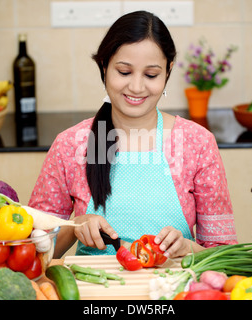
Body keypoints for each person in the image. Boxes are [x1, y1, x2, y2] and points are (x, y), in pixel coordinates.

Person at [29, 11, 237, 259]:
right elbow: (33, 251)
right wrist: (76, 226)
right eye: (124, 72)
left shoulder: (197, 143)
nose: (137, 87)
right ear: (104, 66)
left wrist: (188, 248)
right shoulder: (72, 144)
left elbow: (224, 256)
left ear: (168, 72)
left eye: (151, 75)